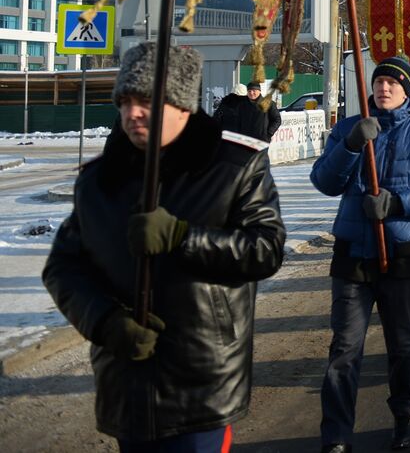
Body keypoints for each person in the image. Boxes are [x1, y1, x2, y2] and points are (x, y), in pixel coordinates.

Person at [43, 42, 286, 452]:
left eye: (146, 101)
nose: (131, 113)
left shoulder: (235, 166)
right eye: (125, 101)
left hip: (202, 384)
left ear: (182, 104)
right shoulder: (100, 180)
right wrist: (103, 322)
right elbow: (63, 268)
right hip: (127, 379)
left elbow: (266, 249)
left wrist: (184, 238)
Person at [311, 55, 410, 452]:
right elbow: (323, 181)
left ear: (406, 89)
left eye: (394, 83)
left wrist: (398, 204)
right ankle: (336, 435)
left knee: (401, 344)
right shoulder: (350, 128)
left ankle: (404, 414)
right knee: (344, 349)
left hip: (400, 251)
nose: (384, 88)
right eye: (379, 82)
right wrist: (350, 145)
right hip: (351, 253)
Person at [215, 80, 282, 143]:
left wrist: (268, 134)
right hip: (240, 140)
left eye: (254, 90)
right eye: (249, 91)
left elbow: (276, 119)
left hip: (259, 140)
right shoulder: (240, 104)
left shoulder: (268, 103)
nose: (251, 93)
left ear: (259, 91)